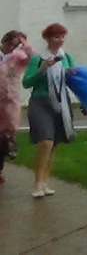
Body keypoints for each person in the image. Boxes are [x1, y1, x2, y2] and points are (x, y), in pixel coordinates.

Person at [22, 23, 77, 198]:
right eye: (56, 37)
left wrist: (73, 75)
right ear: (47, 38)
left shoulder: (66, 57)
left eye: (62, 36)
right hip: (40, 101)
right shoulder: (38, 59)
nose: (60, 40)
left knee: (54, 144)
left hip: (61, 102)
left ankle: (45, 181)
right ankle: (37, 183)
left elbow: (73, 82)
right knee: (45, 142)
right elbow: (26, 83)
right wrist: (41, 70)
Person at [1, 30, 34, 186]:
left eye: (16, 45)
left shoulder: (18, 57)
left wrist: (25, 44)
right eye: (11, 44)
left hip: (10, 99)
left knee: (8, 130)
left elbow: (34, 59)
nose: (12, 48)